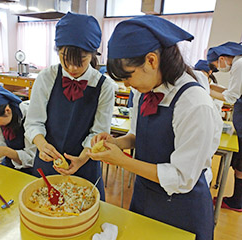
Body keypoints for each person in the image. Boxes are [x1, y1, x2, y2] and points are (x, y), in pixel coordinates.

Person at [87, 15, 222, 240]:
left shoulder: (195, 105)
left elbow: (181, 177)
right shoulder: (144, 93)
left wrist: (123, 161)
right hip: (144, 196)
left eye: (128, 77)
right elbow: (139, 136)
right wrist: (115, 143)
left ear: (151, 60)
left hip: (181, 208)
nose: (127, 85)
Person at [24, 12, 115, 199]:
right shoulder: (46, 77)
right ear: (58, 51)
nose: (72, 68)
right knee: (45, 212)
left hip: (86, 162)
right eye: (65, 59)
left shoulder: (104, 86)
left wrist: (82, 158)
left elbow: (98, 133)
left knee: (86, 216)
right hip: (47, 161)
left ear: (92, 54)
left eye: (80, 60)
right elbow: (33, 122)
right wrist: (41, 144)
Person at [207, 41, 242, 212]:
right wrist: (211, 86)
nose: (218, 69)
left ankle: (237, 202)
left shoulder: (239, 64)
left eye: (216, 67)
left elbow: (231, 97)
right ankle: (237, 200)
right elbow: (230, 90)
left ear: (222, 59)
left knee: (240, 163)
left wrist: (205, 90)